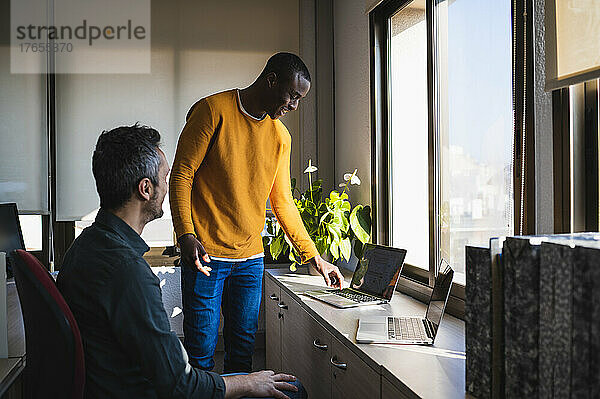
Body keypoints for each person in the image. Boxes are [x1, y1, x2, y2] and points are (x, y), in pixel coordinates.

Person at [57, 124, 306, 399]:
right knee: (294, 392)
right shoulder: (128, 272)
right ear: (145, 189)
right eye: (165, 177)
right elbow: (181, 386)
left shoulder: (85, 246)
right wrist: (249, 382)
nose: (170, 185)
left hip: (114, 382)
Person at [169, 52, 344, 373]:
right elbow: (181, 174)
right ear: (271, 79)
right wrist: (185, 235)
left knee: (242, 356)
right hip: (205, 256)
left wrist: (314, 256)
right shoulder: (212, 111)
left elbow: (283, 202)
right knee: (202, 355)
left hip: (250, 261)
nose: (294, 105)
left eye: (299, 99)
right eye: (292, 95)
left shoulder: (280, 137)